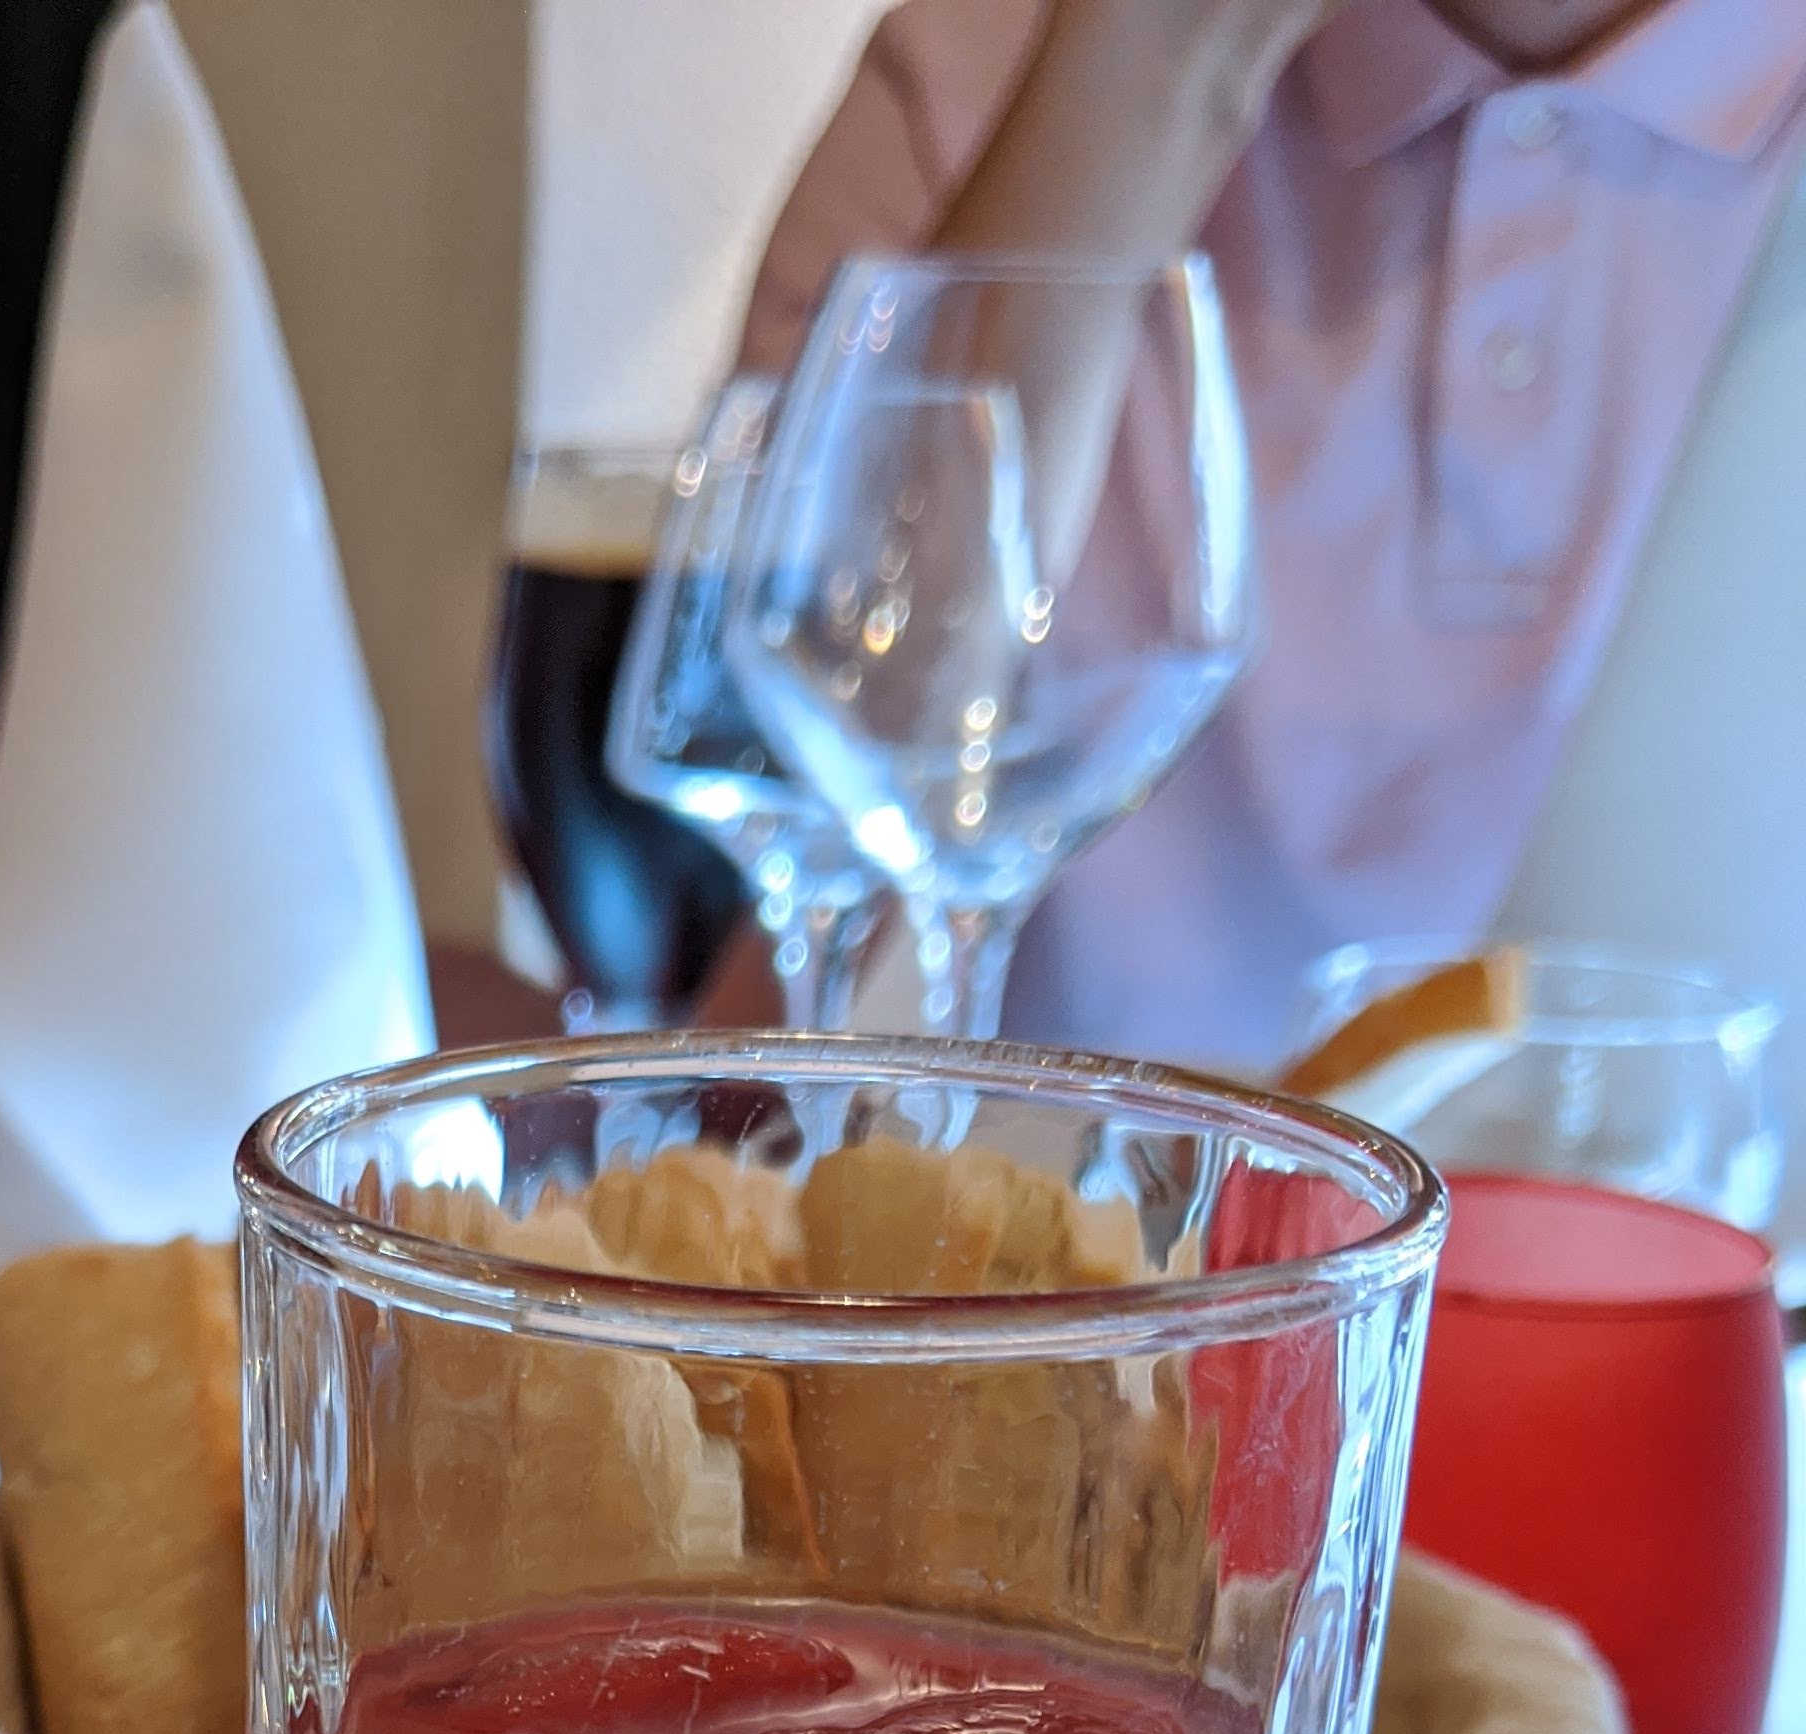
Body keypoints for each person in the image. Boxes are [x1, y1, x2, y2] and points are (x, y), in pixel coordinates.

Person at [736, 0, 1806, 1092]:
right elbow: (777, 861)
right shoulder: (987, 66)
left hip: (1708, 1189)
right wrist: (1155, 66)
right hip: (1067, 1184)